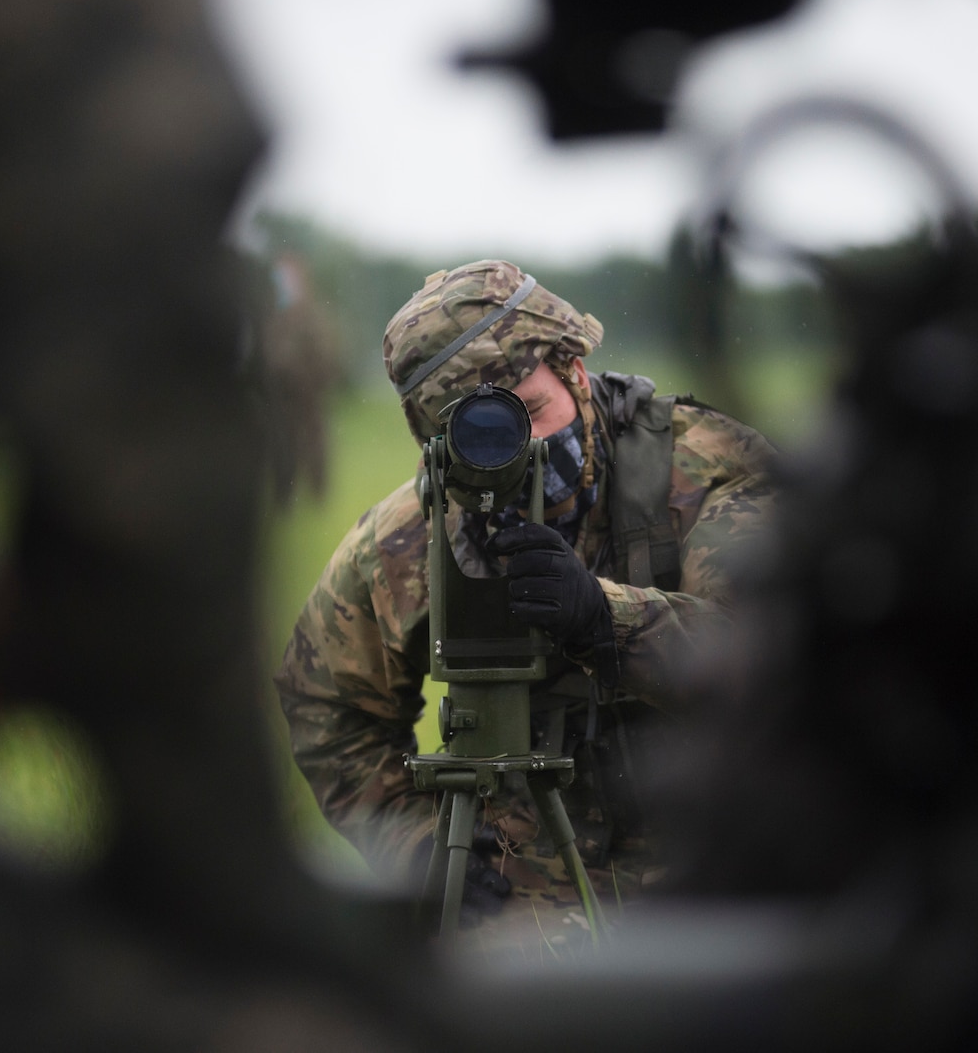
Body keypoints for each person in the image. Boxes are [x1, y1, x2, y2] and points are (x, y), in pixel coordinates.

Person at [275, 259, 776, 946]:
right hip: (530, 901)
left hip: (715, 865)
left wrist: (607, 620)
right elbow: (323, 702)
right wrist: (416, 846)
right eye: (477, 436)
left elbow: (780, 661)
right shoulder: (412, 535)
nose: (522, 451)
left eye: (531, 412)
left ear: (572, 369)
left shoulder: (705, 469)